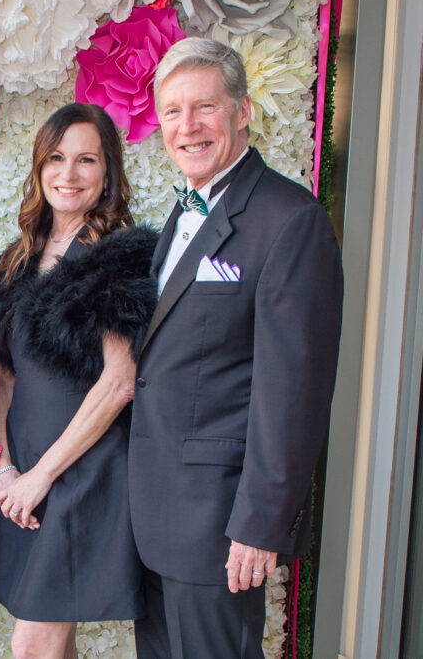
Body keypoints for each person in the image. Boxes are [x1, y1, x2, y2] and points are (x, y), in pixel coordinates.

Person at [129, 38, 344, 658]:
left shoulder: (289, 220)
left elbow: (294, 392)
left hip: (219, 527)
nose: (187, 127)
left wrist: (259, 525)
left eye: (205, 108)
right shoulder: (182, 213)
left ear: (243, 110)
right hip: (157, 515)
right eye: (172, 111)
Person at [0, 103, 158, 658]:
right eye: (57, 158)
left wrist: (40, 478)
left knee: (33, 644)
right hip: (24, 471)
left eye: (87, 160)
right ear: (39, 168)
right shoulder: (19, 259)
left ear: (108, 172)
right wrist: (6, 468)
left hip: (81, 473)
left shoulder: (119, 256)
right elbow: (4, 376)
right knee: (52, 642)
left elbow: (119, 383)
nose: (69, 173)